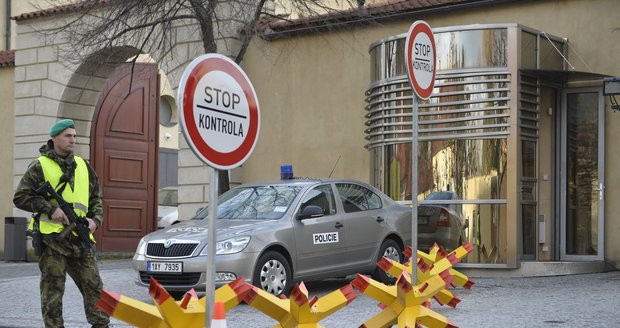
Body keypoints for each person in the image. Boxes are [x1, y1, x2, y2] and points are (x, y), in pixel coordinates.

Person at [13, 119, 110, 328]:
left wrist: (95, 220)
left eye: (74, 136)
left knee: (95, 288)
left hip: (81, 239)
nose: (72, 140)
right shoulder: (39, 166)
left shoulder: (84, 166)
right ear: (54, 138)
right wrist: (51, 209)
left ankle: (101, 325)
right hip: (52, 241)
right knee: (53, 291)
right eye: (68, 136)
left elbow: (97, 199)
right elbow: (20, 197)